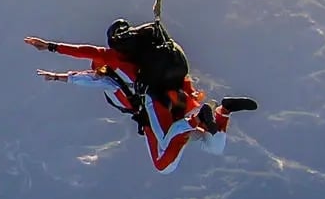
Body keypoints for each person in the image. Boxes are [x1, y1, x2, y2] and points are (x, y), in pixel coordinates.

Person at [25, 27, 256, 173]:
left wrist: (57, 74)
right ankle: (223, 109)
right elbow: (85, 53)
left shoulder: (110, 68)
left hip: (158, 108)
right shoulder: (145, 48)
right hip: (184, 99)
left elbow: (87, 71)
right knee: (214, 147)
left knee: (162, 164)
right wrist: (51, 49)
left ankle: (198, 120)